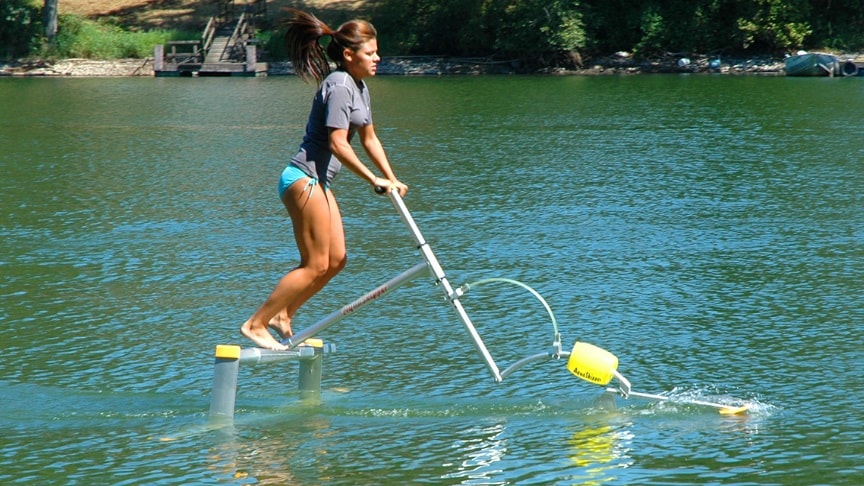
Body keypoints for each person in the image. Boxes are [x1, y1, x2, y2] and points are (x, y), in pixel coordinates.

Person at [240, 8, 408, 350]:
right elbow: (337, 142)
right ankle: (256, 323)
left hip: (319, 182)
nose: (378, 58)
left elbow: (369, 139)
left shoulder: (359, 87)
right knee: (316, 263)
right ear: (349, 54)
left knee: (336, 260)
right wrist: (373, 179)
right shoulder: (340, 84)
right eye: (370, 53)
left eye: (377, 51)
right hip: (303, 178)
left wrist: (392, 178)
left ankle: (283, 315)